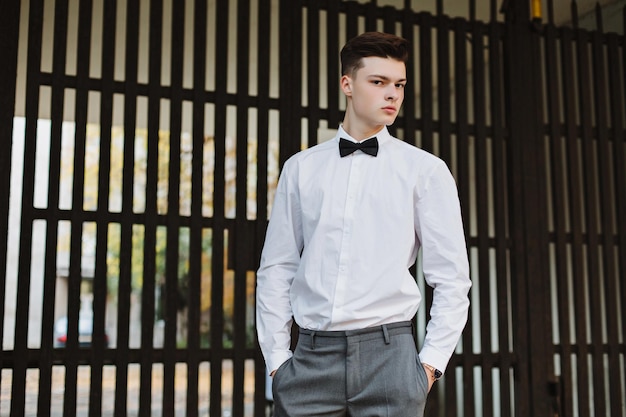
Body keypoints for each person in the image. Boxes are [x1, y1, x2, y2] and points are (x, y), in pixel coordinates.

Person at [256, 31, 471, 417]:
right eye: (379, 82)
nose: (393, 94)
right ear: (347, 84)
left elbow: (452, 278)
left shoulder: (425, 170)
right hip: (308, 361)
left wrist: (428, 367)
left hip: (391, 361)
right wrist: (277, 362)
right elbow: (277, 268)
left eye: (399, 84)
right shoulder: (301, 169)